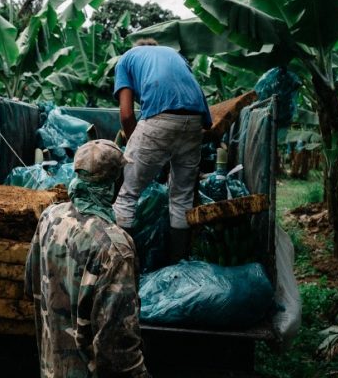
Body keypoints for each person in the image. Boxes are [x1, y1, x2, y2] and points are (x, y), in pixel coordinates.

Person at [26, 139, 150, 378]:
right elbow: (116, 345)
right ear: (115, 182)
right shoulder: (114, 247)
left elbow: (31, 287)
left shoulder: (50, 217)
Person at [112, 39, 211, 262]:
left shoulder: (126, 59)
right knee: (181, 198)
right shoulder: (175, 56)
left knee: (127, 195)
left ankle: (122, 267)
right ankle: (178, 267)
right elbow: (206, 117)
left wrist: (135, 149)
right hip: (195, 120)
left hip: (159, 116)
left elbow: (127, 115)